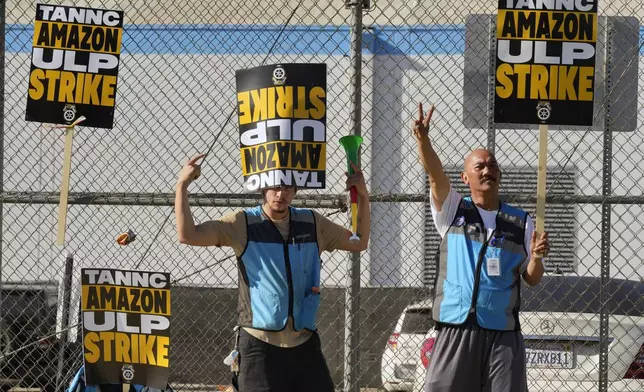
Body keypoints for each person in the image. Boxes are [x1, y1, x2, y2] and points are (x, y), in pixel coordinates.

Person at [175, 153, 371, 392]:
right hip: (259, 344)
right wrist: (182, 185)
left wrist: (362, 195)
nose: (281, 193)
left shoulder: (312, 223)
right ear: (262, 188)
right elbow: (188, 235)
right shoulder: (242, 223)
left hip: (304, 344)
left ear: (296, 190)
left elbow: (358, 242)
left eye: (288, 187)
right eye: (275, 186)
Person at [412, 103, 549, 392]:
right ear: (465, 178)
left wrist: (536, 257)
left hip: (503, 335)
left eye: (492, 165)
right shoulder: (453, 211)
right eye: (480, 166)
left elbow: (532, 278)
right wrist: (423, 140)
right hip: (456, 328)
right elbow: (436, 174)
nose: (488, 170)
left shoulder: (521, 221)